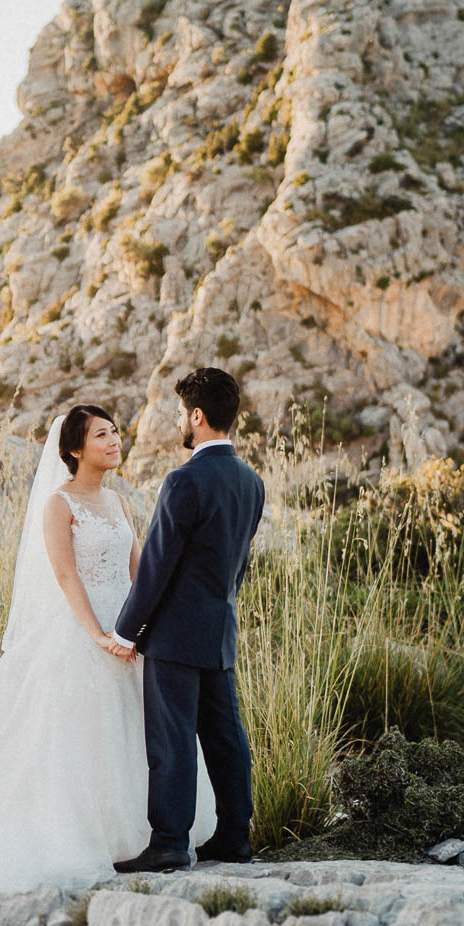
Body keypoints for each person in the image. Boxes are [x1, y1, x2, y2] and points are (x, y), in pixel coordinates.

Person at [0, 403, 217, 897]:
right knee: (74, 734)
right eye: (102, 435)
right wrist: (97, 633)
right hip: (81, 630)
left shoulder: (117, 503)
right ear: (75, 450)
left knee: (139, 731)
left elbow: (141, 568)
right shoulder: (59, 504)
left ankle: (142, 837)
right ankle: (74, 837)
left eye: (115, 432)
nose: (115, 440)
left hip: (128, 634)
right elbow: (65, 574)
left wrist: (142, 628)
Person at [111, 367, 267, 875]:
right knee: (227, 737)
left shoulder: (183, 481)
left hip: (175, 635)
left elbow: (157, 567)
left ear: (197, 417)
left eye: (180, 413)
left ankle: (171, 842)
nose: (178, 420)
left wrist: (125, 630)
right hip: (219, 630)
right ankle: (235, 837)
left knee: (172, 738)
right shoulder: (251, 482)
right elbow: (238, 565)